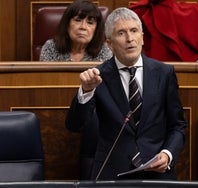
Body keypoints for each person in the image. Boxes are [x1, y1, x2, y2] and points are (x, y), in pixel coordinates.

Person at [65, 7, 187, 180]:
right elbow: (74, 125)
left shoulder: (164, 73)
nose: (130, 39)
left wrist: (168, 154)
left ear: (142, 38)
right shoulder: (97, 76)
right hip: (112, 174)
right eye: (121, 33)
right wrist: (86, 91)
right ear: (109, 43)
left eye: (134, 31)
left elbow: (178, 125)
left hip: (156, 173)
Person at [39, 0, 112, 62]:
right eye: (78, 20)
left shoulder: (104, 51)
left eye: (90, 23)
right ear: (67, 24)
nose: (83, 27)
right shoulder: (51, 48)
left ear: (96, 29)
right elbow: (45, 77)